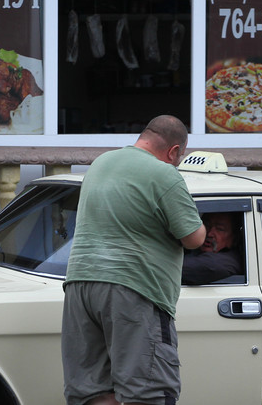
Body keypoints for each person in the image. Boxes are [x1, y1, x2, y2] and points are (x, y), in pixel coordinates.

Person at [61, 115, 206, 405]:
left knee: (94, 392)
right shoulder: (164, 173)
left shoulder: (101, 163)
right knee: (148, 393)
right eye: (178, 158)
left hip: (80, 284)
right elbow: (193, 238)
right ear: (174, 151)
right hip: (133, 287)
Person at [181, 212, 245, 285]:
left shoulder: (228, 261)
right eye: (207, 225)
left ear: (234, 238)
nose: (209, 234)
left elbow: (205, 266)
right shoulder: (190, 247)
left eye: (220, 229)